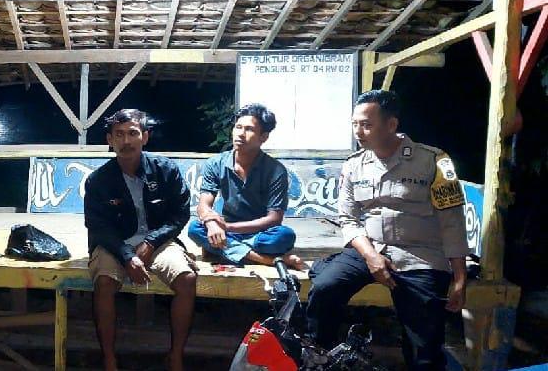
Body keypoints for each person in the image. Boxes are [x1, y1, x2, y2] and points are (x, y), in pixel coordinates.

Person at [305, 90, 469, 370]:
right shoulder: (354, 164)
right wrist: (371, 257)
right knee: (324, 288)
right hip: (369, 248)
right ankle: (319, 357)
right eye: (355, 124)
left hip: (419, 257)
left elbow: (452, 221)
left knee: (424, 344)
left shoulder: (434, 162)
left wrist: (460, 277)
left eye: (366, 125)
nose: (358, 131)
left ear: (391, 125)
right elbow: (348, 219)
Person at [84, 109, 197, 371]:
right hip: (115, 243)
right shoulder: (98, 180)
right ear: (110, 140)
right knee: (104, 283)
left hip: (158, 241)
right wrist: (126, 255)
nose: (126, 141)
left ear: (145, 137)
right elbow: (98, 227)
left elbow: (180, 215)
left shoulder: (166, 170)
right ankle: (109, 359)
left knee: (187, 279)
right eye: (119, 134)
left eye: (133, 133)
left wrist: (152, 242)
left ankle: (176, 356)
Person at [187, 103, 305, 269]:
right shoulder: (216, 163)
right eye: (238, 127)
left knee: (284, 236)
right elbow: (203, 205)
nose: (240, 134)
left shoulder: (275, 170)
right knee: (194, 229)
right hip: (226, 229)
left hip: (259, 233)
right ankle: (267, 260)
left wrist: (227, 228)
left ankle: (222, 249)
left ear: (264, 137)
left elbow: (274, 219)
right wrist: (211, 223)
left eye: (249, 129)